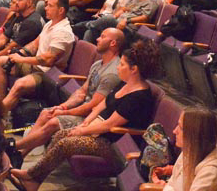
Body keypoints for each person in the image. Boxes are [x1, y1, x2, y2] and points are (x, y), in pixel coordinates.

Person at [9, 41, 160, 191]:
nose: (118, 67)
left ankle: (30, 175)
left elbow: (109, 125)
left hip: (113, 145)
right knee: (60, 135)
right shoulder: (125, 83)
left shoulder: (139, 97)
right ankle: (34, 180)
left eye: (122, 64)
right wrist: (86, 122)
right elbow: (102, 105)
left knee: (65, 143)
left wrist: (81, 130)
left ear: (134, 69)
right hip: (99, 131)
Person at [15, 27, 124, 158]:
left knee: (53, 122)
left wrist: (64, 113)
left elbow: (92, 107)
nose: (97, 39)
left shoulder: (112, 73)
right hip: (83, 110)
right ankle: (20, 155)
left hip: (93, 119)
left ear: (113, 43)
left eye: (102, 36)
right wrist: (62, 107)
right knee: (46, 113)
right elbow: (81, 92)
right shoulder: (98, 64)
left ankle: (14, 147)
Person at [0, 0, 75, 111]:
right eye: (46, 5)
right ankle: (3, 103)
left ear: (61, 10)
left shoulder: (63, 32)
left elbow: (48, 60)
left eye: (50, 6)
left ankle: (0, 114)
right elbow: (35, 44)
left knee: (20, 84)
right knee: (0, 62)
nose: (45, 8)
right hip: (35, 66)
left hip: (48, 75)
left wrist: (21, 59)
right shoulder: (50, 23)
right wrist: (19, 53)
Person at [147, 108, 217, 191]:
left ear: (194, 135)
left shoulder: (211, 173)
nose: (175, 131)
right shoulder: (189, 151)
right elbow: (172, 184)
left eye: (180, 128)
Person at [82, 0, 160, 43]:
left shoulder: (152, 0)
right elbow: (124, 9)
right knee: (90, 31)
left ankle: (85, 25)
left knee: (108, 19)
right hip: (119, 22)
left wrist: (126, 20)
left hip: (130, 28)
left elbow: (144, 18)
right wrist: (115, 16)